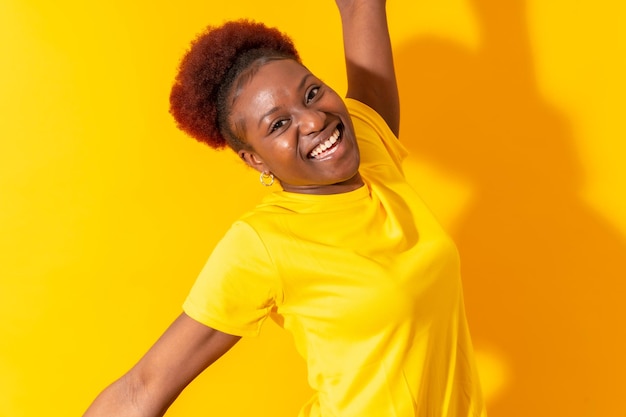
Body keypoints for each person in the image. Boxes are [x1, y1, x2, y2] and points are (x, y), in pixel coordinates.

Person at [83, 0, 486, 416]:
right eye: (278, 124)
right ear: (255, 159)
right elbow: (140, 389)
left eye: (312, 93)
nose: (313, 121)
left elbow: (361, 5)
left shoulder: (366, 143)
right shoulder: (264, 244)